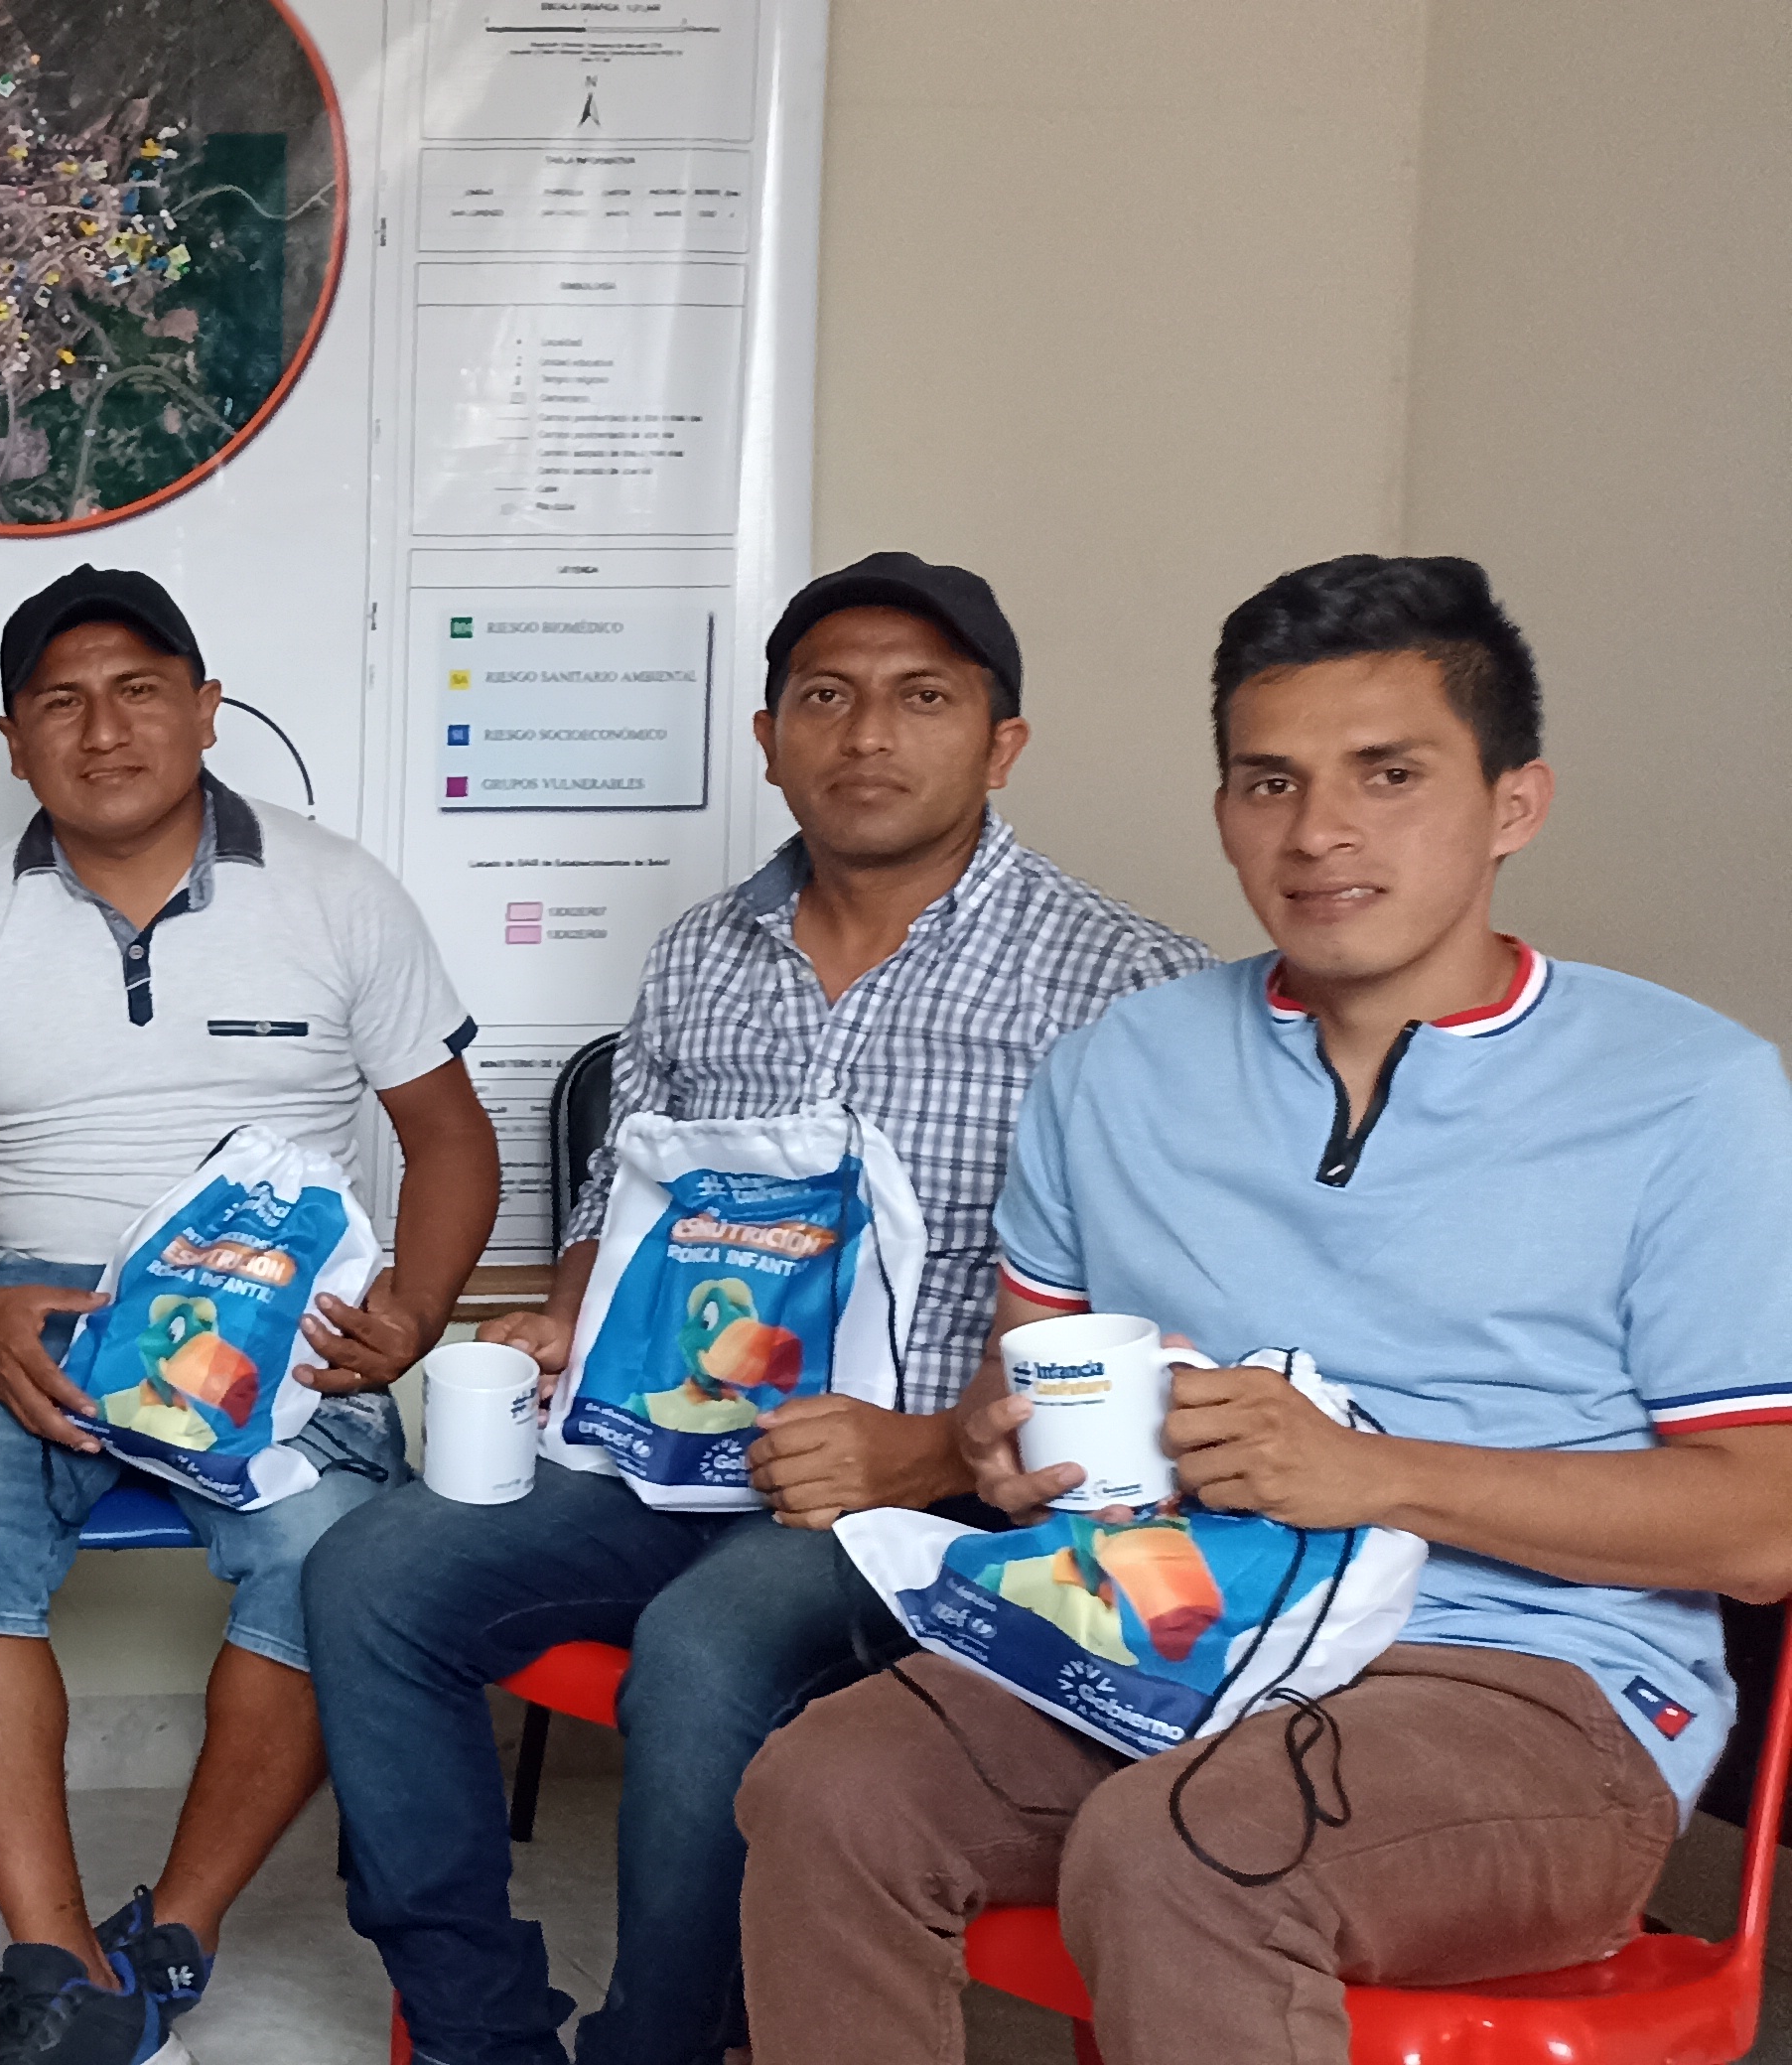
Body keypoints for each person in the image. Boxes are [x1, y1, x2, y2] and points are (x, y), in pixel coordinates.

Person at [734, 556, 1792, 2065]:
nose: (1319, 831)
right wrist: (999, 1448)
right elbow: (1010, 1397)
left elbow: (1761, 1526)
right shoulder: (1116, 1071)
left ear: (1515, 803)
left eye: (1389, 775)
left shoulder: (1690, 1092)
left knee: (1193, 1846)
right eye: (1269, 781)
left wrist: (1370, 1475)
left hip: (1530, 1688)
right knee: (830, 1783)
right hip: (1165, 1628)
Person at [302, 554, 1208, 2065]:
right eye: (827, 697)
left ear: (1003, 743)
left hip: (942, 1494)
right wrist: (569, 1318)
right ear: (769, 739)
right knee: (368, 1574)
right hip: (673, 1443)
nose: (869, 734)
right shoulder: (700, 953)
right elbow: (618, 1196)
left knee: (708, 1646)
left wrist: (928, 1452)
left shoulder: (1124, 982)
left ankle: (661, 2047)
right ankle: (479, 2032)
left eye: (924, 698)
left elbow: (1154, 1320)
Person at [0, 566, 499, 2065]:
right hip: (36, 1313)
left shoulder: (339, 891)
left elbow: (451, 1138)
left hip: (271, 1323)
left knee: (339, 1558)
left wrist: (413, 1311)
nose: (105, 731)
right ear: (15, 741)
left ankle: (175, 1936)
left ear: (208, 709)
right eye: (62, 703)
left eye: (141, 691)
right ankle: (51, 1960)